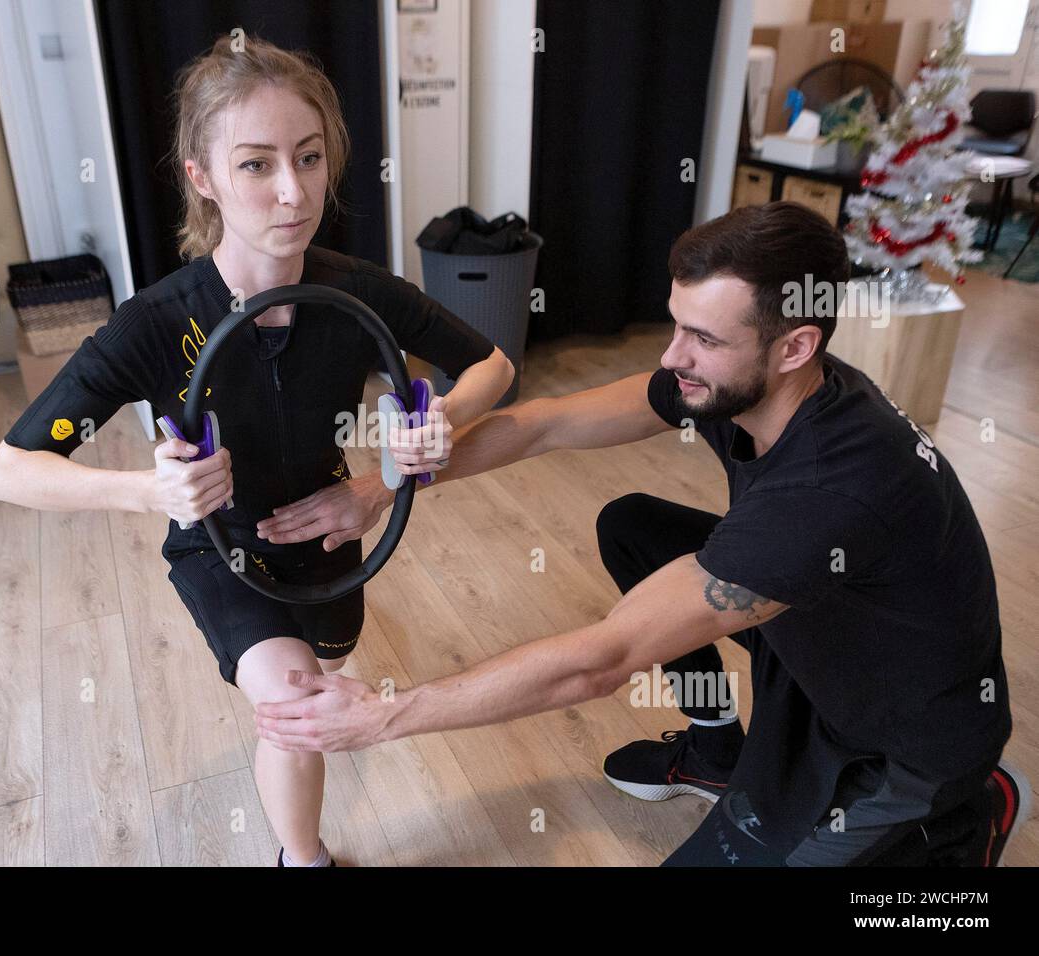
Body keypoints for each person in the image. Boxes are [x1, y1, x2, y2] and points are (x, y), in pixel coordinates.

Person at [253, 202, 1029, 866]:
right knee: (631, 526)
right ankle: (718, 747)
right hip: (825, 636)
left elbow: (604, 661)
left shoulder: (828, 493)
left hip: (900, 746)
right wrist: (383, 486)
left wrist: (385, 715)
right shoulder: (747, 388)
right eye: (676, 324)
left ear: (796, 346)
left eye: (704, 340)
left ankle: (961, 824)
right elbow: (545, 424)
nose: (671, 358)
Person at [0, 34, 513, 867]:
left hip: (333, 542)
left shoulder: (356, 291)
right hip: (219, 548)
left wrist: (392, 470)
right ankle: (302, 860)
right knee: (299, 703)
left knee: (323, 661)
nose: (292, 191)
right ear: (203, 176)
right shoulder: (154, 323)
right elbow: (10, 471)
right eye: (257, 165)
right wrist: (151, 493)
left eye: (308, 158)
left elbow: (494, 364)